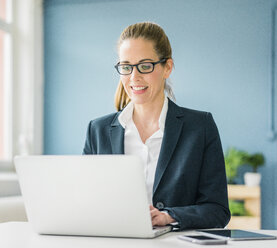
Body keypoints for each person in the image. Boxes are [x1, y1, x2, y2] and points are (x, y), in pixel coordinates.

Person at [83, 22, 230, 230]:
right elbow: (86, 202)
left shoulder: (200, 127)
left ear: (167, 67)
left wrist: (168, 216)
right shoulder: (97, 130)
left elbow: (217, 210)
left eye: (145, 66)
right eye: (126, 67)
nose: (134, 77)